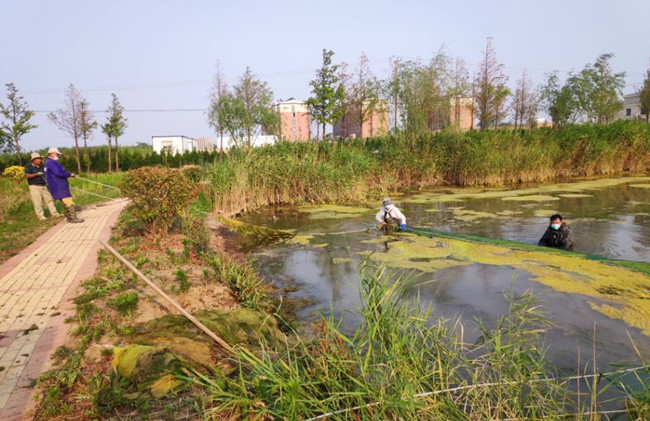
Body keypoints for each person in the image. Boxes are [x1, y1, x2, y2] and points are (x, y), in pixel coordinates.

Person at [45, 147, 84, 223]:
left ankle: (69, 218)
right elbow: (59, 173)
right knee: (69, 202)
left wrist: (67, 173)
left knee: (66, 202)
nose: (58, 155)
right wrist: (69, 174)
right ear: (52, 154)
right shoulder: (51, 163)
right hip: (59, 186)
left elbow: (59, 172)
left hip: (57, 186)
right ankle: (73, 218)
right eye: (57, 154)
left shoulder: (50, 162)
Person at [24, 152, 60, 220]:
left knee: (49, 200)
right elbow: (27, 175)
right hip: (34, 186)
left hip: (44, 185)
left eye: (40, 159)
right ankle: (40, 216)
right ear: (33, 160)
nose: (39, 160)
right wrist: (36, 174)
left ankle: (54, 213)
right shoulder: (29, 166)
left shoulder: (42, 166)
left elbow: (47, 173)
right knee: (37, 202)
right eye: (37, 159)